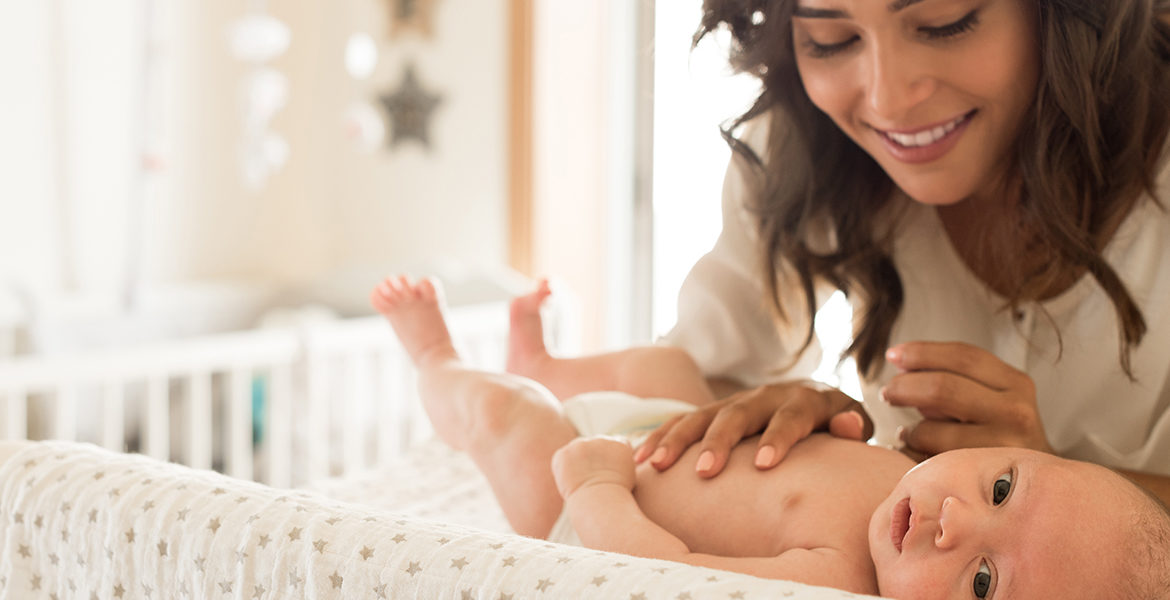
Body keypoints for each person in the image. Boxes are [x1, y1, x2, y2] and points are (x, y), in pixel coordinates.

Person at [586, 0, 1170, 505]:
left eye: (945, 23)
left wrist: (1060, 487)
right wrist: (808, 429)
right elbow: (694, 388)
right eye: (831, 40)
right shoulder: (800, 143)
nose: (889, 100)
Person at [370, 275, 1170, 599]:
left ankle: (436, 358)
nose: (956, 522)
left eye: (984, 584)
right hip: (678, 437)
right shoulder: (912, 475)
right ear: (1020, 447)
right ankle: (547, 360)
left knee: (506, 419)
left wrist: (593, 490)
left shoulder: (837, 584)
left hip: (592, 499)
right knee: (668, 362)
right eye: (1001, 489)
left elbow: (667, 574)